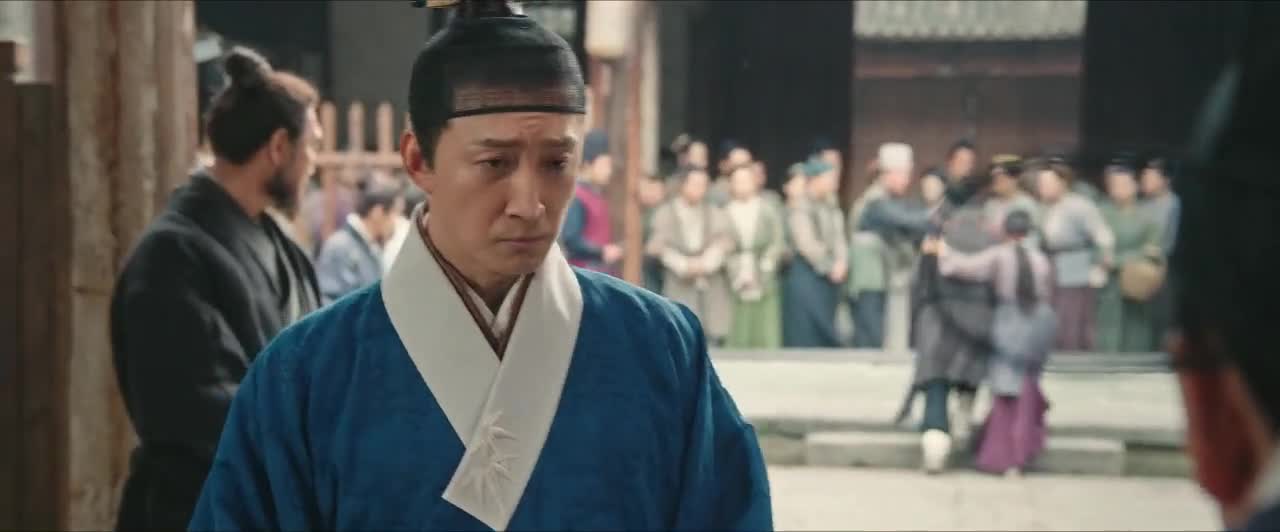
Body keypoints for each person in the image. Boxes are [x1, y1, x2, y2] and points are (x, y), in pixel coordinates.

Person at [189, 3, 771, 529]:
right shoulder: (304, 376)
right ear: (418, 160)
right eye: (495, 163)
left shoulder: (660, 346)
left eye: (556, 163)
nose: (529, 203)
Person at [110, 47, 322, 531]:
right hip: (194, 508)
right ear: (278, 147)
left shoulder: (282, 248)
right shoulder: (172, 256)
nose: (314, 164)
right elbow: (198, 412)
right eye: (311, 148)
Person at [927, 211, 1056, 477]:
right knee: (1028, 386)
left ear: (1005, 232)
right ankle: (1024, 450)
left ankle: (1004, 455)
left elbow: (962, 267)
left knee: (1006, 390)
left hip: (1010, 320)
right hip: (1039, 321)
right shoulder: (1040, 259)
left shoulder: (999, 256)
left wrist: (942, 251)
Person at [847, 142, 926, 349]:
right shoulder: (876, 202)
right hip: (868, 281)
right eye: (904, 174)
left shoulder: (888, 200)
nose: (907, 180)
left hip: (880, 278)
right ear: (890, 174)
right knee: (870, 339)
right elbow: (906, 221)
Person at [648, 167, 736, 347]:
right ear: (683, 185)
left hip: (710, 283)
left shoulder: (715, 212)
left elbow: (725, 242)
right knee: (680, 334)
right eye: (694, 184)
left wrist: (707, 262)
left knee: (712, 338)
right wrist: (683, 265)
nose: (699, 189)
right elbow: (658, 246)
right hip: (679, 282)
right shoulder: (665, 213)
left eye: (703, 185)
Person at [1037, 163, 1115, 351]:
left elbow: (1102, 234)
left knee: (1071, 315)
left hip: (1075, 266)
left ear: (1062, 183)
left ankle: (1072, 354)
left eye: (1047, 183)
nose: (1042, 188)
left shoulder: (1079, 205)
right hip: (1051, 265)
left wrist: (1102, 262)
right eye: (1041, 184)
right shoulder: (1044, 207)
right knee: (1051, 313)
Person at [1095, 164, 1163, 352]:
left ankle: (1137, 354)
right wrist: (1105, 259)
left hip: (1137, 277)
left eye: (1124, 184)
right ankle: (1108, 357)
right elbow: (1096, 244)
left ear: (1135, 185)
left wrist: (1122, 260)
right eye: (1115, 185)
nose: (1119, 189)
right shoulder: (1102, 212)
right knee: (1108, 321)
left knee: (1137, 322)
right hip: (1109, 277)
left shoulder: (1148, 215)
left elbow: (1153, 249)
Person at [782, 159, 846, 348]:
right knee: (805, 332)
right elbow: (806, 243)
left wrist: (841, 261)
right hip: (806, 274)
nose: (834, 183)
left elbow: (839, 238)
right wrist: (829, 266)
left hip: (830, 277)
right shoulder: (800, 206)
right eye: (829, 178)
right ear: (815, 180)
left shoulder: (831, 206)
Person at [724, 165, 786, 349]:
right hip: (735, 270)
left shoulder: (767, 209)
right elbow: (722, 243)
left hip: (763, 267)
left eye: (746, 181)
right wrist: (735, 266)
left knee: (764, 323)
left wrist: (767, 262)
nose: (742, 185)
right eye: (737, 181)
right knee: (737, 321)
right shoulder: (725, 211)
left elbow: (777, 240)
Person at [316, 177, 403, 303]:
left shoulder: (371, 247)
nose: (397, 222)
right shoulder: (340, 247)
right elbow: (330, 301)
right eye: (395, 213)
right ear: (378, 212)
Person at [559, 129, 623, 275]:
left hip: (599, 273)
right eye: (605, 165)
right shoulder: (577, 196)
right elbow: (571, 240)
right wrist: (601, 251)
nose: (609, 171)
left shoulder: (597, 194)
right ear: (588, 164)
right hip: (584, 274)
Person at [1139, 157, 1180, 345]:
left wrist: (1157, 251)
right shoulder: (1143, 204)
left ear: (1165, 180)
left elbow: (1170, 239)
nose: (1144, 181)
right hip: (1143, 265)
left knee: (1163, 313)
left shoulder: (1173, 203)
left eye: (1150, 177)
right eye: (1144, 177)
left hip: (1165, 266)